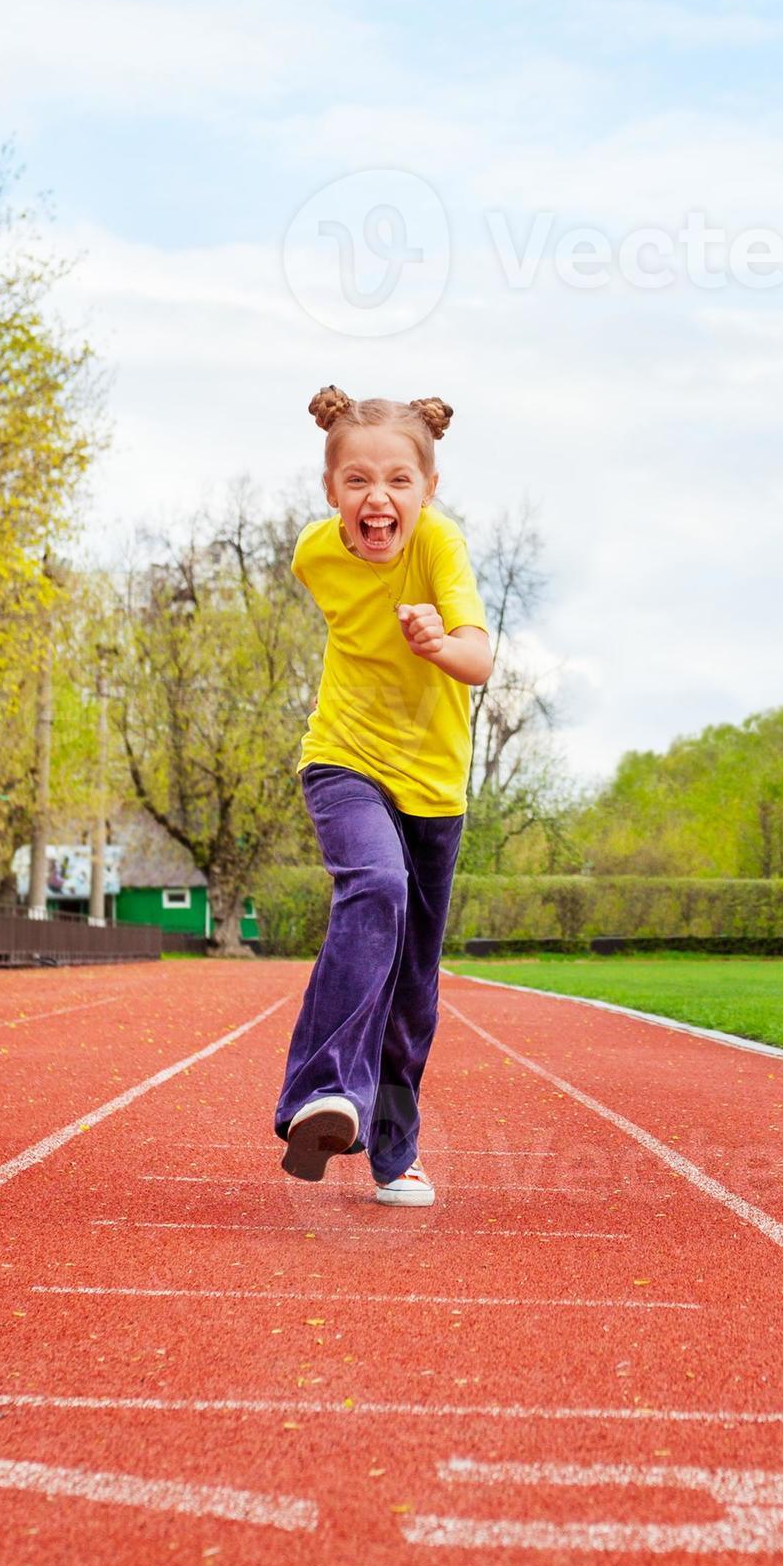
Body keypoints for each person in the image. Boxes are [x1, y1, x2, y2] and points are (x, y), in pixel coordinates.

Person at [274, 386, 493, 1208]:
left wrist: (439, 642)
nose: (378, 498)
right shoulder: (312, 552)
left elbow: (479, 659)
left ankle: (394, 1151)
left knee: (414, 986)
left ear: (427, 490)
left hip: (433, 787)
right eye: (358, 480)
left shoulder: (438, 544)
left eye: (399, 481)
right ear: (330, 490)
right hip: (341, 759)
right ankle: (319, 1095)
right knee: (375, 885)